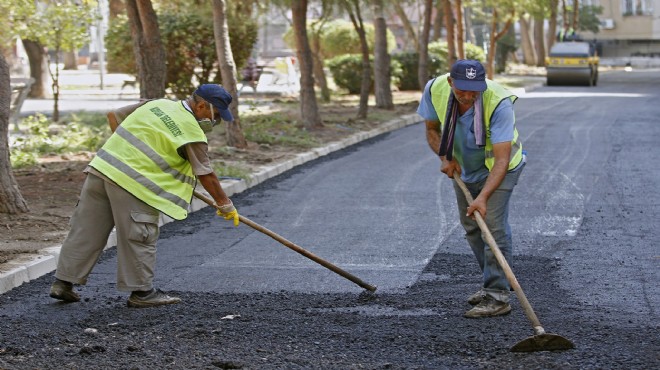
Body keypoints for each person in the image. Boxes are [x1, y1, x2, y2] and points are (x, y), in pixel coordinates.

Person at [49, 84, 240, 308]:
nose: (215, 121)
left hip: (101, 170)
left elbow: (114, 115)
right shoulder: (191, 131)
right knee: (139, 236)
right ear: (200, 106)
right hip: (133, 185)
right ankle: (142, 292)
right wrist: (225, 204)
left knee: (86, 230)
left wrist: (127, 153)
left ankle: (63, 283)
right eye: (215, 115)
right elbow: (206, 173)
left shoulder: (158, 105)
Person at [417, 60, 526, 318]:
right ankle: (493, 280)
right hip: (464, 168)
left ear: (483, 84)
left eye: (473, 91)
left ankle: (498, 298)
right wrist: (444, 158)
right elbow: (432, 130)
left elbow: (501, 158)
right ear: (450, 82)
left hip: (501, 168)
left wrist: (484, 197)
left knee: (492, 227)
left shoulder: (498, 102)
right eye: (461, 90)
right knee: (472, 227)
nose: (467, 96)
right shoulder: (435, 89)